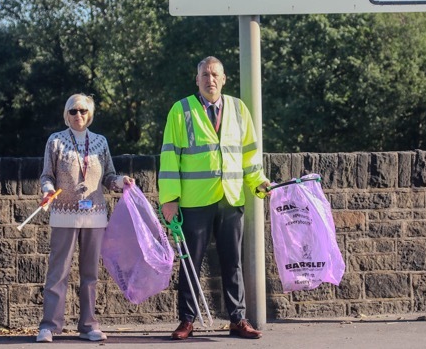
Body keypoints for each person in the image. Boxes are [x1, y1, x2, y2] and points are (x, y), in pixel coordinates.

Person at [158, 56, 270, 340]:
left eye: (215, 74)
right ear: (197, 80)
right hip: (195, 201)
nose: (210, 79)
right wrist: (170, 198)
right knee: (190, 262)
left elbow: (249, 153)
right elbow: (170, 156)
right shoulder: (180, 110)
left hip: (230, 199)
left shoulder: (238, 108)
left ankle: (237, 319)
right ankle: (187, 320)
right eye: (205, 75)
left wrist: (258, 183)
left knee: (232, 261)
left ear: (224, 78)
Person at [35, 94, 134, 343]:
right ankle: (49, 325)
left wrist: (121, 182)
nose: (78, 115)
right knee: (58, 272)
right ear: (66, 115)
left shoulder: (100, 142)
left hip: (95, 216)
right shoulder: (55, 141)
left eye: (82, 111)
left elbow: (109, 176)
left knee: (90, 274)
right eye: (73, 111)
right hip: (63, 215)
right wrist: (47, 190)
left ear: (90, 114)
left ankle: (89, 325)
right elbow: (46, 175)